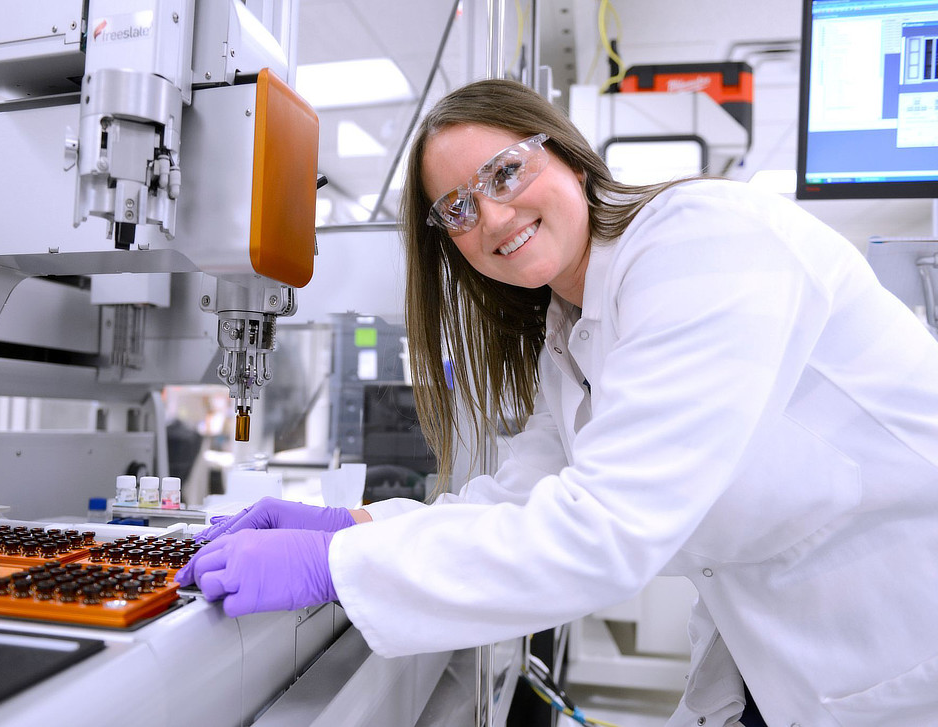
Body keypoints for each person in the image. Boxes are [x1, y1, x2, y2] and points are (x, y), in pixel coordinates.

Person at [177, 79, 938, 726]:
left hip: (899, 640)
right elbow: (525, 493)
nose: (494, 218)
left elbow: (605, 529)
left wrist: (335, 565)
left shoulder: (702, 242)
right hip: (788, 655)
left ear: (566, 153)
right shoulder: (567, 329)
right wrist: (353, 523)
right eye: (458, 209)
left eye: (504, 173)